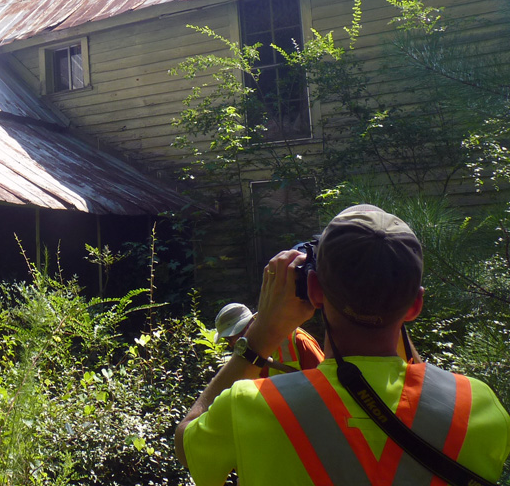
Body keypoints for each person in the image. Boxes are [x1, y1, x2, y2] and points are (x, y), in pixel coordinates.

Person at [175, 204, 510, 485]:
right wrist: (388, 297)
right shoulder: (477, 407)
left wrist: (259, 336)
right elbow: (422, 391)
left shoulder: (250, 406)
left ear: (316, 291)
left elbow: (186, 446)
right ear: (414, 306)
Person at [214, 302, 323, 377]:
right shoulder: (248, 358)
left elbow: (327, 382)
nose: (231, 345)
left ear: (246, 328)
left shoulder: (297, 341)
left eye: (230, 339)